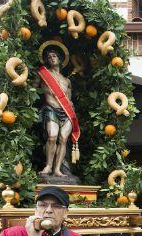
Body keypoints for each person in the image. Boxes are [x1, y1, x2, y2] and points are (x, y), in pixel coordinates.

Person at [37, 43, 80, 177]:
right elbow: (32, 89)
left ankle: (57, 169)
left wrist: (72, 111)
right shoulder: (43, 74)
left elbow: (69, 100)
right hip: (51, 109)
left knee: (63, 139)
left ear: (60, 59)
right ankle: (48, 166)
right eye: (49, 57)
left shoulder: (67, 80)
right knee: (52, 136)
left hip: (66, 113)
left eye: (54, 56)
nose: (52, 58)